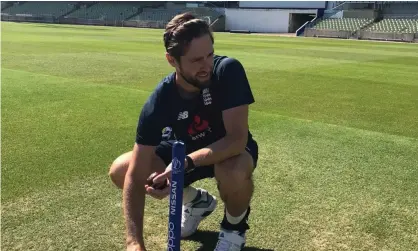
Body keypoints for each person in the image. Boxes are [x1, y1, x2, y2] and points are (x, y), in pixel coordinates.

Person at [108, 12, 259, 251]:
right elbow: (135, 174)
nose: (206, 66)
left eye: (209, 54)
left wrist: (185, 164)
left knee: (232, 170)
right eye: (196, 60)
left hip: (227, 151)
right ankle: (195, 200)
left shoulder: (228, 71)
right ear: (172, 60)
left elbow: (236, 140)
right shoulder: (161, 99)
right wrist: (133, 243)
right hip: (183, 151)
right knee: (121, 169)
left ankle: (234, 227)